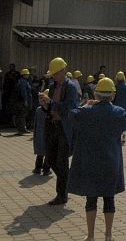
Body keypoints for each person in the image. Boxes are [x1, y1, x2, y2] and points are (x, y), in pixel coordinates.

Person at [68, 77, 126, 241]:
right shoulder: (118, 112)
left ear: (96, 94)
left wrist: (86, 105)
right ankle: (108, 234)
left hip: (90, 162)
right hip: (111, 161)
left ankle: (90, 235)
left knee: (91, 199)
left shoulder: (87, 111)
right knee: (109, 199)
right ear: (112, 95)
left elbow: (72, 115)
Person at [38, 56, 79, 205]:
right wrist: (45, 105)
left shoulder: (71, 87)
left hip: (64, 128)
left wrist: (51, 102)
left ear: (63, 71)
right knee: (49, 158)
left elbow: (69, 108)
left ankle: (62, 195)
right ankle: (66, 182)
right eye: (52, 74)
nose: (54, 76)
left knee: (61, 162)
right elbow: (52, 107)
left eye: (56, 73)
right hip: (53, 126)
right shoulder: (53, 85)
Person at [32, 89, 51, 175]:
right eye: (41, 100)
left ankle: (38, 168)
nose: (43, 101)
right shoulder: (50, 109)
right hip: (46, 133)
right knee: (46, 152)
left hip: (41, 133)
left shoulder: (39, 109)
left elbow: (35, 124)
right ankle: (45, 169)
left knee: (41, 152)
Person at [114, 71, 126, 144]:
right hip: (125, 106)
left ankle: (118, 136)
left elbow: (113, 97)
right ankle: (123, 135)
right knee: (123, 121)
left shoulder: (116, 87)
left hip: (116, 106)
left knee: (117, 121)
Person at [14, 68, 32, 135]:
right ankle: (21, 130)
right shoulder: (23, 82)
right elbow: (23, 92)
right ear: (23, 75)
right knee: (22, 115)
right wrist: (25, 100)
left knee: (22, 115)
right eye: (27, 74)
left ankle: (23, 129)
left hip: (21, 101)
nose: (28, 75)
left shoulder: (23, 81)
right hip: (22, 102)